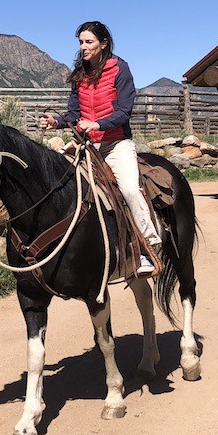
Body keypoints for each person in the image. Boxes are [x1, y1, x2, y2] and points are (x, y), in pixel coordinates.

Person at [39, 21, 160, 276]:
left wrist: (97, 123)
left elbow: (124, 112)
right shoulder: (79, 74)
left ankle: (148, 248)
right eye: (81, 42)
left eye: (88, 42)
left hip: (117, 143)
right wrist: (57, 122)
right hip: (87, 145)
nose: (83, 47)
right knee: (59, 184)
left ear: (103, 43)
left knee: (129, 189)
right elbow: (73, 113)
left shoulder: (120, 69)